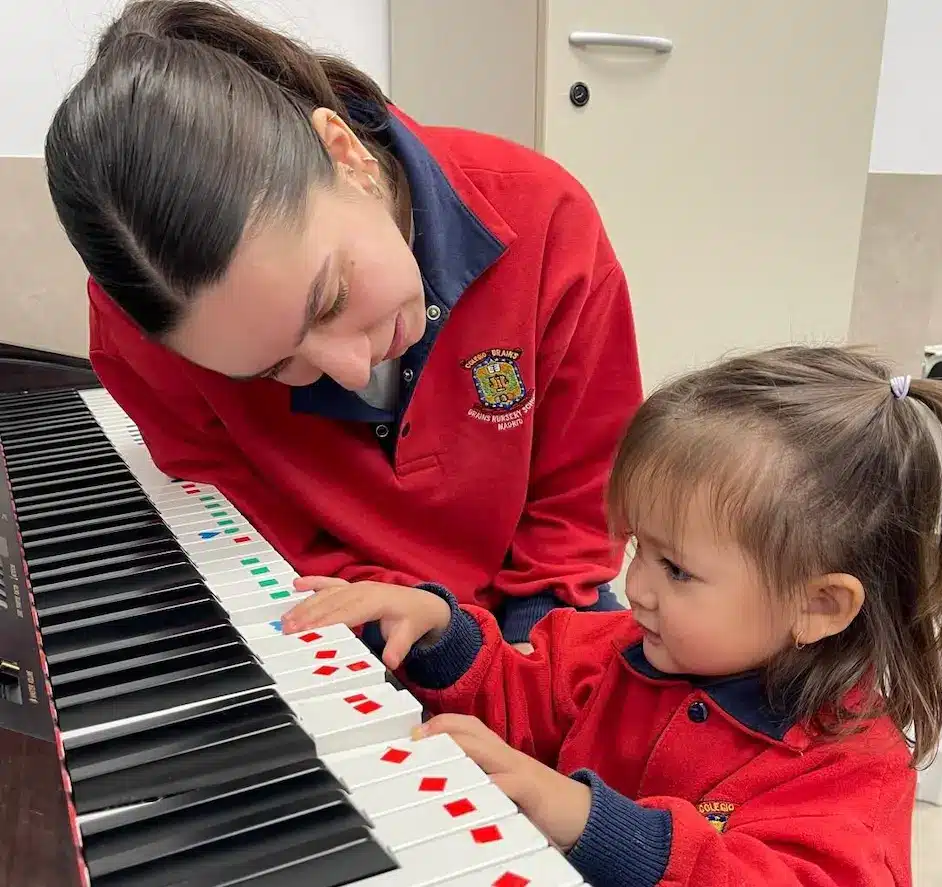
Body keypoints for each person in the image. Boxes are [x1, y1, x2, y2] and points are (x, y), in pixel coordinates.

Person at [284, 345, 942, 887]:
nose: (636, 587)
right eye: (639, 550)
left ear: (818, 604)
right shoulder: (618, 647)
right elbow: (520, 694)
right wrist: (441, 631)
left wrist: (589, 819)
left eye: (677, 568)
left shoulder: (852, 769)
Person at [42, 0, 642, 647]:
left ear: (346, 153)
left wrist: (525, 667)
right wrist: (423, 636)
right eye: (273, 370)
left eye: (329, 299)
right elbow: (261, 532)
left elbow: (578, 508)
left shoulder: (549, 219)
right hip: (350, 619)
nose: (352, 370)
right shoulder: (144, 335)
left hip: (536, 612)